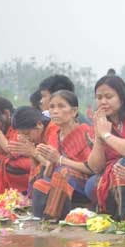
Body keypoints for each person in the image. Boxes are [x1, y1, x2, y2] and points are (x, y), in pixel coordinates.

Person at [85, 75, 125, 216]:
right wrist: (99, 137)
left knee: (123, 164)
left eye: (109, 96)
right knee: (91, 185)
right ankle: (115, 215)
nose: (103, 102)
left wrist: (107, 135)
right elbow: (95, 167)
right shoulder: (100, 121)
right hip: (111, 171)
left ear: (121, 97)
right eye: (99, 98)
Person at [31, 90, 95, 219]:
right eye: (52, 107)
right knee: (40, 183)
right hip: (58, 180)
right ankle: (38, 220)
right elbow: (47, 174)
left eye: (61, 106)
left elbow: (92, 168)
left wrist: (59, 159)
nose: (55, 111)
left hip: (84, 182)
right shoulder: (54, 136)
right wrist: (48, 162)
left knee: (62, 172)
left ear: (74, 111)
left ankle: (52, 217)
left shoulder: (86, 132)